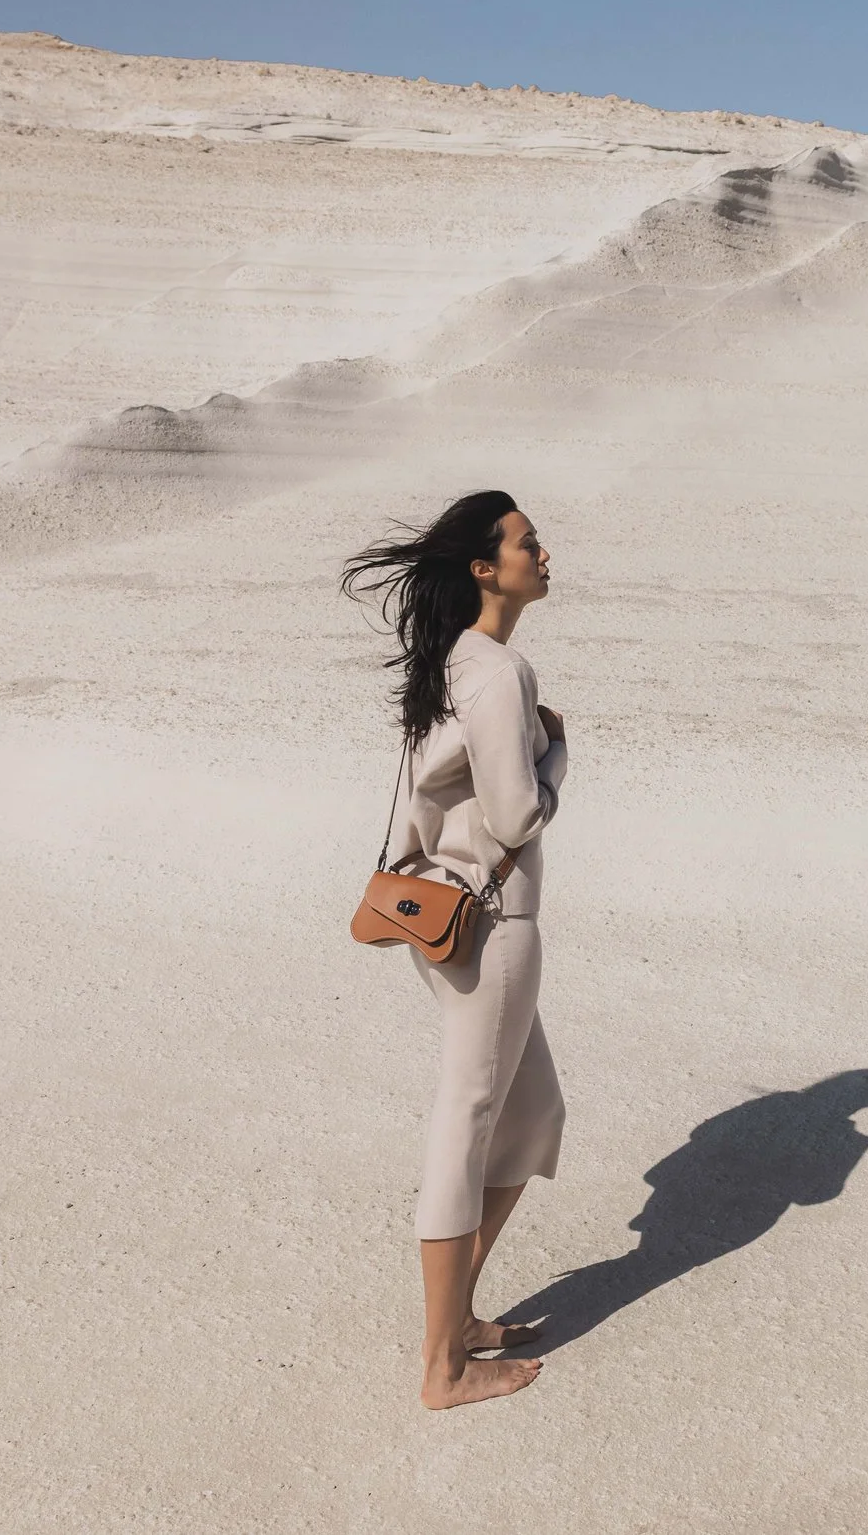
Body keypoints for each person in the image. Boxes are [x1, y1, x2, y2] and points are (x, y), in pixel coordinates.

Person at [343, 490, 566, 1409]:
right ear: (485, 566)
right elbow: (515, 813)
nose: (543, 550)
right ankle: (442, 1366)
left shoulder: (448, 664)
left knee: (535, 1112)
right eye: (526, 541)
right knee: (469, 1120)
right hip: (492, 925)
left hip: (439, 917)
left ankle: (459, 1314)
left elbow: (417, 800)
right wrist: (557, 753)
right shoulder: (501, 672)